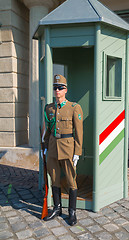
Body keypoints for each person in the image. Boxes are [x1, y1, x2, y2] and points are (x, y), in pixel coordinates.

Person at [43, 74, 83, 226]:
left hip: (67, 148)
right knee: (54, 178)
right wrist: (46, 146)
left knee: (71, 180)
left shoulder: (74, 107)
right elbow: (47, 130)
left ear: (66, 90)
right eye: (55, 88)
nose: (57, 90)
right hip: (53, 147)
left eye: (60, 88)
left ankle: (72, 211)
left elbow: (79, 132)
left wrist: (77, 152)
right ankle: (57, 208)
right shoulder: (49, 108)